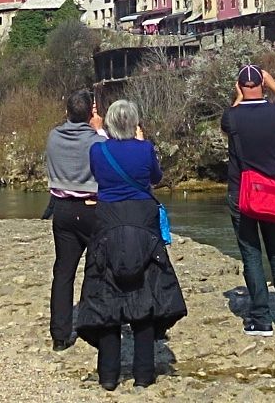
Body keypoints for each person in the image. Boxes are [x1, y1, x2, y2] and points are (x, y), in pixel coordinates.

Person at [76, 100, 186, 391]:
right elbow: (156, 178)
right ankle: (143, 374)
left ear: (110, 124)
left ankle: (109, 376)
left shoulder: (97, 150)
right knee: (145, 296)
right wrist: (139, 142)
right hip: (142, 225)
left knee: (107, 299)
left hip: (108, 224)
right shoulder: (145, 149)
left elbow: (99, 175)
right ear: (135, 123)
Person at [221, 64, 275, 337]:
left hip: (241, 192)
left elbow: (232, 116)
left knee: (251, 255)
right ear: (262, 84)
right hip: (271, 192)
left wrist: (238, 96)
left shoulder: (231, 117)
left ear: (239, 85)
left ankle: (260, 319)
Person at [44, 88, 106, 350]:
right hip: (92, 208)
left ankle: (60, 334)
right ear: (90, 113)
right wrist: (99, 128)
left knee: (63, 271)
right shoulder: (96, 141)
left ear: (67, 112)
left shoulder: (53, 137)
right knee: (95, 268)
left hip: (63, 209)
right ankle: (91, 324)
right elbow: (109, 156)